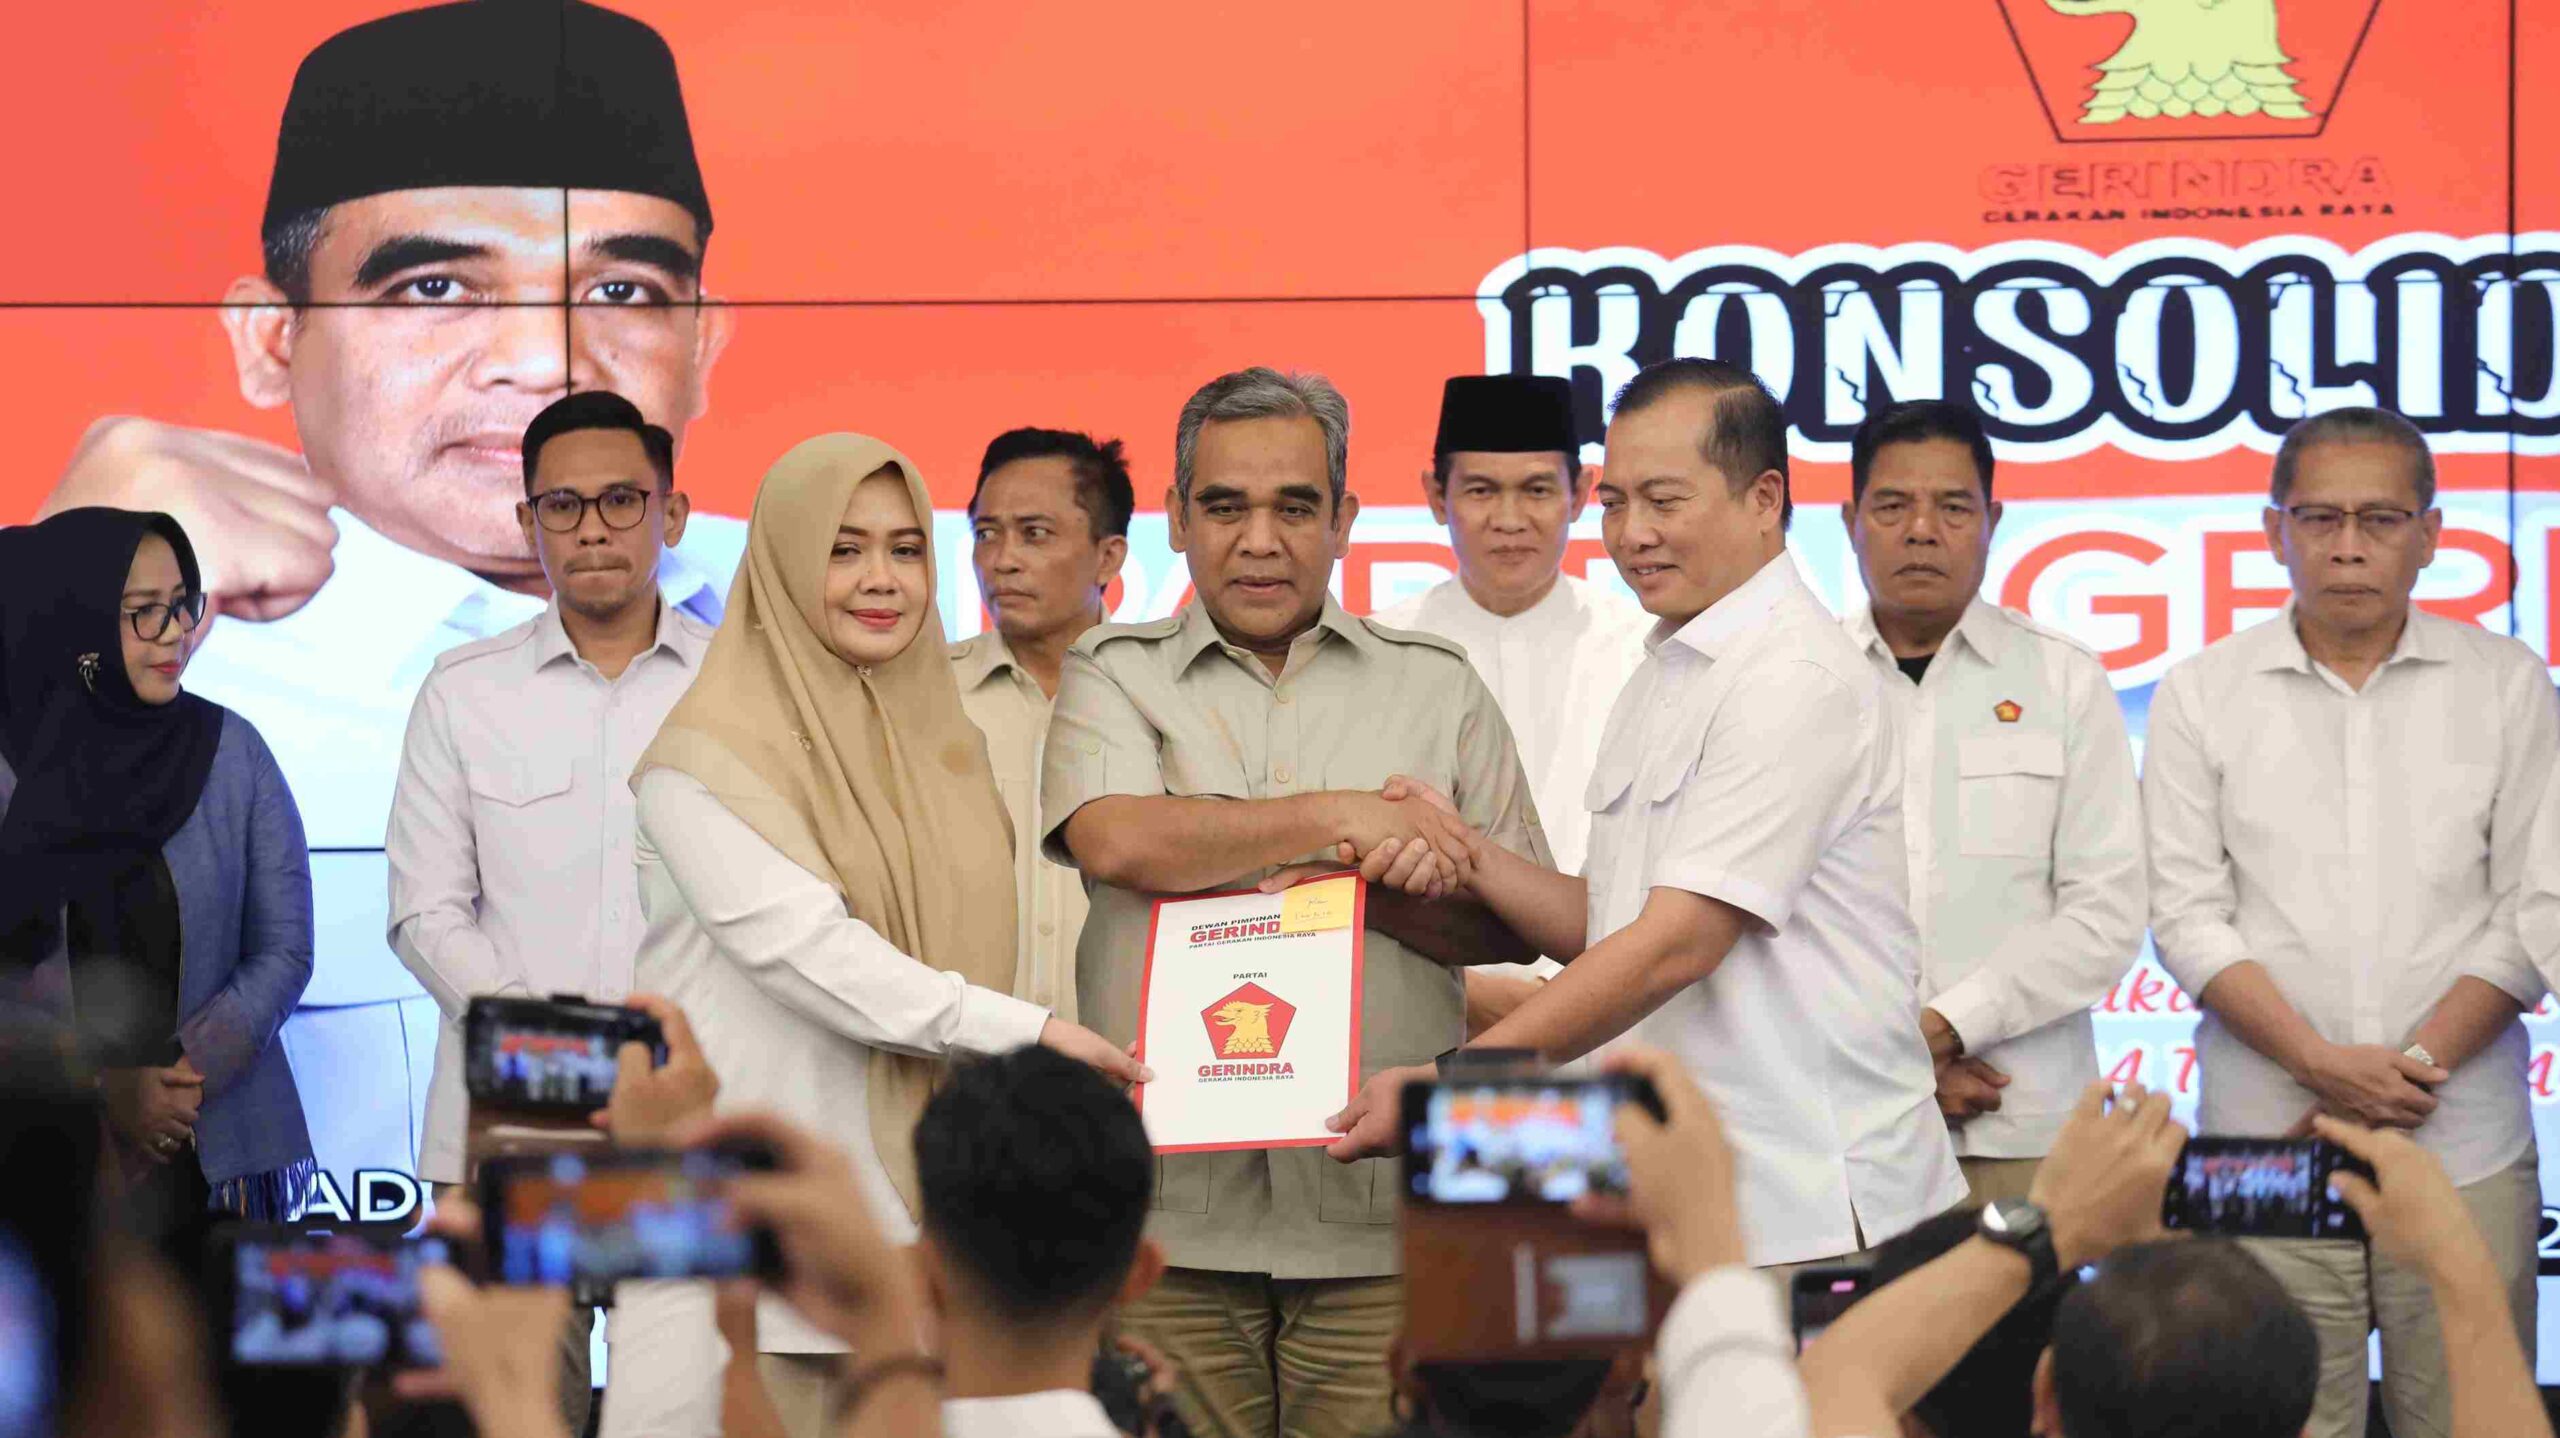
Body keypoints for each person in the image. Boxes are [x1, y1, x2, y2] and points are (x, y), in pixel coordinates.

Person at [36, 0, 745, 1209]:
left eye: (623, 290)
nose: (547, 359)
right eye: (434, 286)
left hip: (716, 1296)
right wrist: (51, 604)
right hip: (339, 1289)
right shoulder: (160, 657)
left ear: (704, 344)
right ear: (272, 341)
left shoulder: (879, 593)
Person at [1328, 358, 1965, 1272]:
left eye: (1664, 501)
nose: (1632, 534)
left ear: (1764, 499)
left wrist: (1454, 1090)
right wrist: (1467, 852)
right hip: (1685, 1193)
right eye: (1617, 503)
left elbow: (1676, 943)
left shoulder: (1792, 676)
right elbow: (1611, 920)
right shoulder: (1668, 664)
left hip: (1812, 1208)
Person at [1042, 367, 1551, 1438]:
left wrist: (1366, 896)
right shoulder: (1112, 668)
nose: (1260, 541)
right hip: (1169, 1225)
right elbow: (1118, 837)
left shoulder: (1436, 684)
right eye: (1225, 506)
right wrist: (1347, 815)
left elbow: (1516, 923)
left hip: (1382, 1219)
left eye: (1295, 507)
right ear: (1177, 518)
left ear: (1345, 520)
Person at [605, 435, 1140, 1438]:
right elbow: (808, 954)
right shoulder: (701, 758)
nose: (881, 580)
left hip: (907, 1238)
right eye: (843, 550)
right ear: (782, 559)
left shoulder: (936, 742)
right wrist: (1034, 1036)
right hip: (741, 1227)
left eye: (905, 550)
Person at [2142, 406, 2554, 1438]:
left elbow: (2538, 910)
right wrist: (2322, 1066)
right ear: (2273, 531)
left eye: (2380, 518)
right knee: (2271, 1422)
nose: (2348, 546)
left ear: (2432, 533)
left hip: (2461, 1142)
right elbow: (2184, 914)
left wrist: (2400, 1074)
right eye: (2319, 518)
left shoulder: (2508, 686)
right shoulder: (2201, 692)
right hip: (2263, 1144)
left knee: (2470, 1421)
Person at [384, 389, 712, 1434]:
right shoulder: (462, 690)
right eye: (563, 506)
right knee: (512, 1417)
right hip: (510, 1134)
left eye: (621, 500)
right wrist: (565, 1054)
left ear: (672, 512)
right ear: (528, 522)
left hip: (688, 1129)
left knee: (683, 1420)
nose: (592, 529)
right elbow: (424, 913)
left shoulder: (741, 690)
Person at [1839, 399, 2146, 1208]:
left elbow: (2106, 914)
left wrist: (1944, 1029)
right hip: (1840, 1132)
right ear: (1850, 521)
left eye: (1952, 507)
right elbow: (1770, 922)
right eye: (1892, 506)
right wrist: (1894, 1064)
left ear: (1992, 521)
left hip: (2024, 1124)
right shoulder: (1801, 682)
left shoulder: (2064, 680)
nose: (1921, 531)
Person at [0, 509, 318, 1238]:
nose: (176, 631)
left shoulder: (231, 751)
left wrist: (177, 1082)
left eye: (182, 604)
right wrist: (104, 1089)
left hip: (214, 1146)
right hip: (41, 1158)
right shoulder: (11, 771)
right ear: (75, 622)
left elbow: (284, 949)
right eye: (144, 611)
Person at [1373, 376, 1652, 1032]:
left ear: (1580, 494)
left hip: (1622, 1007)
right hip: (1427, 1013)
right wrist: (1470, 991)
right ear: (1435, 496)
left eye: (1536, 490)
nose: (1508, 519)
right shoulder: (1378, 648)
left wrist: (1573, 993)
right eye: (1480, 490)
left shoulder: (1645, 648)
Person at [952, 428, 1134, 1018]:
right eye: (986, 534)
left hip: (1131, 1058)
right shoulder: (925, 697)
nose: (1002, 560)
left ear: (1108, 556)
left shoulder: (1165, 698)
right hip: (960, 1052)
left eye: (1035, 533)